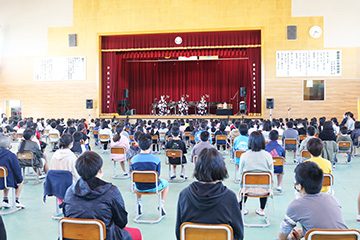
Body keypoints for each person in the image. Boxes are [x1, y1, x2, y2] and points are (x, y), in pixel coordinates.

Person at [63, 151, 141, 240]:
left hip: (75, 237)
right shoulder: (111, 192)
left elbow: (67, 216)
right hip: (105, 236)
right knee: (135, 233)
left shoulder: (69, 191)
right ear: (99, 170)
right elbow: (122, 222)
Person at [175, 148, 244, 240]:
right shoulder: (230, 197)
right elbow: (239, 234)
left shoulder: (184, 194)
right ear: (221, 168)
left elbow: (179, 233)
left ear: (198, 167)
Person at [278, 162, 347, 240]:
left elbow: (282, 236)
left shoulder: (296, 205)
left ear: (299, 186)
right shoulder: (333, 199)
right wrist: (304, 232)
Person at [130, 134, 169, 216]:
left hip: (139, 188)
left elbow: (132, 175)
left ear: (139, 145)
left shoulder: (133, 160)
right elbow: (158, 175)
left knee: (138, 181)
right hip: (154, 187)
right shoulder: (156, 159)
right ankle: (161, 204)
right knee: (166, 184)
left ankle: (139, 203)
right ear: (151, 145)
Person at [239, 131, 274, 216]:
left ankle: (242, 207)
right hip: (264, 189)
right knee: (265, 183)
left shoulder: (244, 155)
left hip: (247, 188)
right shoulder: (268, 155)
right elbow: (271, 173)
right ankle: (262, 209)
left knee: (244, 182)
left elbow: (240, 172)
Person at [0, 135, 25, 208]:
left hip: (3, 179)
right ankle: (16, 200)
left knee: (5, 176)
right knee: (17, 179)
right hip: (6, 180)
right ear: (8, 145)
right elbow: (17, 170)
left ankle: (5, 200)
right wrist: (19, 180)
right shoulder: (11, 155)